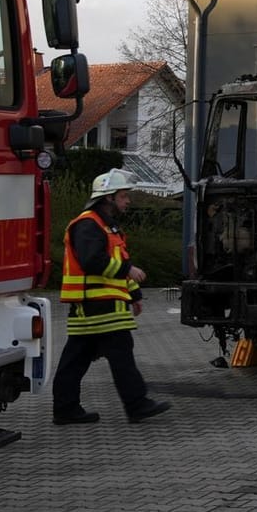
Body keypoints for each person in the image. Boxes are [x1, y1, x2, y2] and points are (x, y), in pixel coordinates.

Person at [52, 169, 170, 425]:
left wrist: (134, 294)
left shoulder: (107, 227)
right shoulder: (88, 224)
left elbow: (116, 262)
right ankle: (136, 404)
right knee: (120, 353)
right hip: (97, 303)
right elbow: (93, 261)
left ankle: (65, 408)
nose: (128, 201)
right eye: (124, 196)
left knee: (76, 358)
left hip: (96, 303)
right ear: (108, 198)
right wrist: (130, 271)